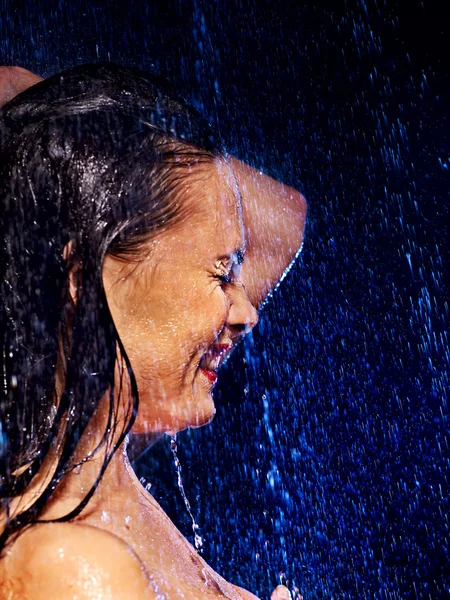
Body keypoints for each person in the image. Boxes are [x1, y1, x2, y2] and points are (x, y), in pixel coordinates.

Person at [0, 64, 306, 599]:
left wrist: (59, 142)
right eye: (222, 272)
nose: (246, 311)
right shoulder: (73, 570)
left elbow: (284, 218)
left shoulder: (105, 462)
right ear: (86, 276)